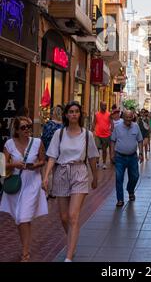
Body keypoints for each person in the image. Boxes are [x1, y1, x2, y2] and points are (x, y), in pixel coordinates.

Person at [42, 101, 98, 262]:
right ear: (66, 115)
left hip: (79, 172)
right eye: (71, 112)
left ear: (80, 115)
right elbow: (52, 156)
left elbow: (93, 157)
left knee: (73, 216)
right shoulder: (59, 134)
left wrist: (95, 177)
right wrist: (46, 176)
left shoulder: (87, 135)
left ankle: (68, 257)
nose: (73, 114)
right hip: (61, 172)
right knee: (64, 217)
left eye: (76, 111)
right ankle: (72, 240)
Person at [0, 116, 47, 262]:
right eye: (23, 127)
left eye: (29, 127)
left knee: (23, 217)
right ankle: (25, 247)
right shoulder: (9, 144)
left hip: (32, 182)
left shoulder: (37, 142)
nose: (27, 130)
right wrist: (14, 165)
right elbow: (2, 167)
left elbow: (42, 160)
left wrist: (35, 166)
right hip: (16, 183)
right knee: (19, 218)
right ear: (17, 130)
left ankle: (25, 253)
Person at [110, 110, 144, 207]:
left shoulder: (136, 126)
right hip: (120, 157)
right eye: (126, 117)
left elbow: (140, 140)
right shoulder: (118, 127)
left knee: (135, 176)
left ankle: (130, 190)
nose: (128, 119)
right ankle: (120, 199)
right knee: (119, 178)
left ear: (132, 117)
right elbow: (112, 141)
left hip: (133, 156)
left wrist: (141, 153)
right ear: (123, 118)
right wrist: (112, 154)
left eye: (130, 117)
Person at [93, 102, 113, 169]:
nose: (105, 107)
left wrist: (111, 131)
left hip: (106, 135)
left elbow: (112, 123)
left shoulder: (109, 114)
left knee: (104, 150)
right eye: (103, 105)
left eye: (106, 105)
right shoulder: (96, 114)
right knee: (97, 149)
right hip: (98, 134)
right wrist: (92, 131)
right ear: (100, 106)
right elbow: (94, 123)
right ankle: (97, 162)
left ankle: (104, 163)